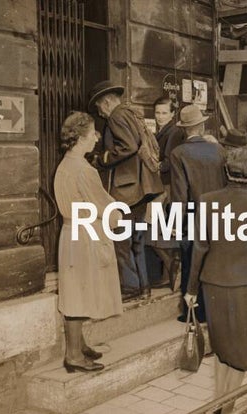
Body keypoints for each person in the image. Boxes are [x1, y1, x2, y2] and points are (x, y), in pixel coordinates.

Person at [185, 147, 247, 414]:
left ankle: (219, 402)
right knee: (240, 351)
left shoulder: (208, 201)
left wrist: (190, 289)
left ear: (226, 172)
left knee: (224, 347)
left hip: (213, 283)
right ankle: (227, 412)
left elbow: (199, 248)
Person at [54, 112, 123, 373]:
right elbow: (103, 206)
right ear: (82, 137)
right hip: (85, 235)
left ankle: (79, 345)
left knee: (75, 289)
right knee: (79, 294)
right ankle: (73, 355)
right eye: (93, 132)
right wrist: (117, 216)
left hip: (71, 232)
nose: (96, 137)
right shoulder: (84, 170)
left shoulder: (65, 164)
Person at [88, 80, 163, 300]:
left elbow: (128, 146)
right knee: (137, 241)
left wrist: (102, 159)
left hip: (126, 189)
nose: (100, 113)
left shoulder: (116, 116)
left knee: (121, 241)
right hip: (140, 188)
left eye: (100, 107)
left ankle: (129, 287)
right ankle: (144, 286)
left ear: (107, 101)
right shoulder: (131, 113)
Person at [171, 105, 227, 322]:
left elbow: (179, 193)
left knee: (190, 262)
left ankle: (193, 312)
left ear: (184, 130)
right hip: (219, 214)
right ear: (202, 125)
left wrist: (175, 223)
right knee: (214, 261)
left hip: (194, 217)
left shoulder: (178, 153)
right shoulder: (219, 150)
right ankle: (215, 308)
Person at [145, 97, 184, 290]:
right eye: (157, 113)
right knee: (158, 229)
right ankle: (169, 270)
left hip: (164, 188)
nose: (160, 116)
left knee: (154, 229)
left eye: (164, 113)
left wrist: (152, 163)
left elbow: (169, 162)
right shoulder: (164, 131)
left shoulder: (173, 132)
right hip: (162, 187)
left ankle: (171, 268)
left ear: (172, 114)